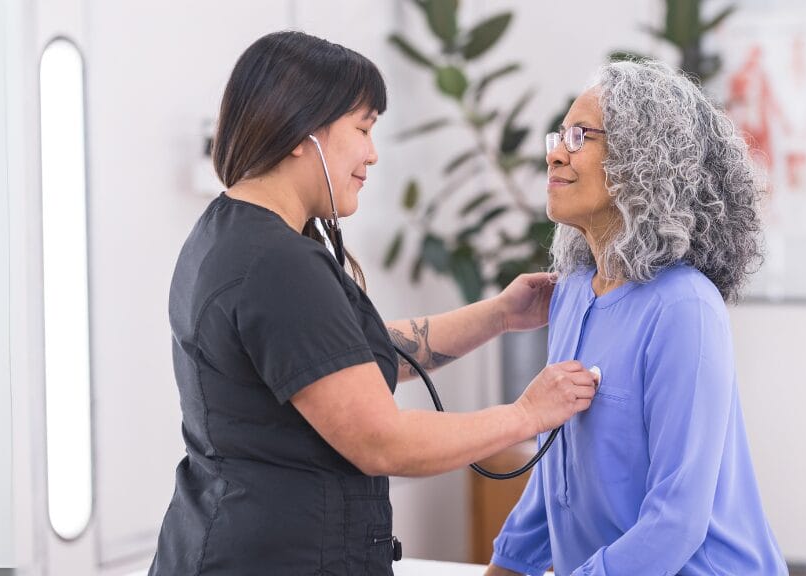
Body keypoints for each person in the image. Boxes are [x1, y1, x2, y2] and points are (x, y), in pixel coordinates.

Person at [151, 31, 599, 575]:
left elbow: (342, 358)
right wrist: (526, 415)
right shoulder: (275, 264)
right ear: (301, 131)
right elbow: (383, 442)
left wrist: (500, 314)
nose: (372, 153)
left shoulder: (229, 235)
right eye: (362, 128)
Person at [487, 60, 787, 576]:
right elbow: (549, 486)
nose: (556, 153)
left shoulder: (684, 308)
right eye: (558, 136)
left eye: (580, 136)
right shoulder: (572, 295)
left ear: (642, 160)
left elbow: (675, 523)